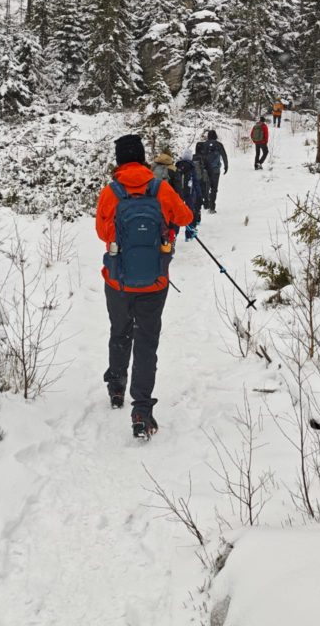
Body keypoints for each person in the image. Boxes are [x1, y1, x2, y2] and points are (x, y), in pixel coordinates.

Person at [95, 134, 193, 439]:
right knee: (147, 342)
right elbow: (186, 217)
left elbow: (102, 233)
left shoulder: (110, 192)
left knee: (119, 331)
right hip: (155, 281)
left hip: (118, 281)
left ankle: (116, 387)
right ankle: (141, 410)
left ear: (119, 161)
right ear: (141, 158)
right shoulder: (160, 188)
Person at [203, 129, 228, 213]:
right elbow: (224, 156)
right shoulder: (219, 145)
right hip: (215, 170)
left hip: (206, 169)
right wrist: (226, 166)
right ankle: (212, 207)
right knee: (214, 188)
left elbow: (200, 156)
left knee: (206, 186)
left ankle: (206, 203)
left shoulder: (204, 144)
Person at [192, 141, 212, 214]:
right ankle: (206, 204)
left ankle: (195, 204)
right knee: (205, 190)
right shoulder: (204, 158)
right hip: (203, 179)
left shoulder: (192, 157)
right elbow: (209, 169)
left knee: (195, 191)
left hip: (194, 178)